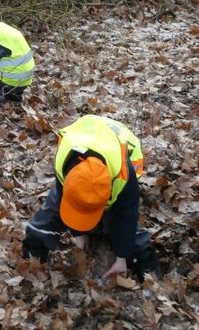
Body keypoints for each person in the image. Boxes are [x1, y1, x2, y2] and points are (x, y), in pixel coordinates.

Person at [22, 115, 160, 281]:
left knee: (124, 230)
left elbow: (127, 216)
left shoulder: (123, 177)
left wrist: (121, 257)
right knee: (48, 216)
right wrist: (77, 233)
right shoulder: (63, 163)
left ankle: (148, 270)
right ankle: (32, 254)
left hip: (122, 151)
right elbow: (64, 196)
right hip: (87, 139)